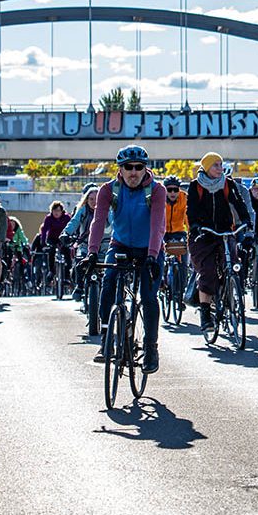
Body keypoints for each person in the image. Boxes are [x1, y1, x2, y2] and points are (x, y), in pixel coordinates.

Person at [87, 145, 167, 373]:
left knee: (149, 297)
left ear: (145, 168)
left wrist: (152, 256)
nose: (133, 172)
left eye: (138, 167)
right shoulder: (108, 190)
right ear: (119, 169)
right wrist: (92, 252)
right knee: (109, 282)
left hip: (149, 249)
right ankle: (105, 341)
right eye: (128, 167)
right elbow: (98, 222)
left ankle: (151, 350)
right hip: (121, 245)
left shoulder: (156, 191)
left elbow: (157, 226)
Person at [186, 152, 252, 334]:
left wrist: (246, 220)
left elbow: (238, 203)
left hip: (224, 231)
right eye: (215, 165)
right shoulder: (195, 186)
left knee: (232, 264)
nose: (219, 168)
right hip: (203, 234)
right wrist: (196, 226)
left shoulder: (228, 183)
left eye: (220, 164)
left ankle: (230, 290)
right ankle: (206, 314)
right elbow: (190, 209)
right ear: (206, 167)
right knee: (207, 272)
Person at [64, 184, 100, 300]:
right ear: (86, 200)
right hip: (85, 245)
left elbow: (114, 224)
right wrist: (66, 233)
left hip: (103, 246)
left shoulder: (106, 211)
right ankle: (79, 286)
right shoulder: (82, 211)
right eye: (91, 199)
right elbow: (73, 222)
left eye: (97, 199)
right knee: (79, 264)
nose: (94, 202)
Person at [162, 175, 190, 279]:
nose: (172, 193)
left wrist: (191, 234)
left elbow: (188, 217)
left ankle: (182, 281)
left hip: (179, 232)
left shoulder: (184, 197)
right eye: (169, 190)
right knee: (159, 257)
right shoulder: (159, 198)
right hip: (163, 232)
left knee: (182, 256)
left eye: (175, 189)